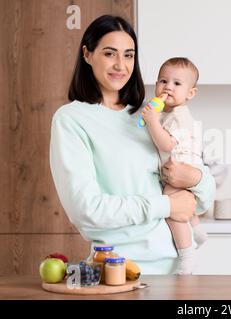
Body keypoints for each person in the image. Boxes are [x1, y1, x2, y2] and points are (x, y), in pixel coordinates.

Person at [49, 15, 215, 275]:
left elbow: (202, 200)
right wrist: (167, 205)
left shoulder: (148, 115)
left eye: (129, 55)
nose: (120, 65)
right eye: (109, 53)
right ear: (87, 54)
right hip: (122, 270)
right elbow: (87, 211)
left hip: (181, 268)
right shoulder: (71, 120)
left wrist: (194, 177)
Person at [141, 57, 207, 274]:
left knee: (173, 211)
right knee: (185, 203)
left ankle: (187, 255)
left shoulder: (178, 116)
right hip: (180, 165)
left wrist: (152, 122)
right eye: (163, 81)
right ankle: (197, 230)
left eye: (177, 84)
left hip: (180, 167)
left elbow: (167, 144)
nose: (168, 87)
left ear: (190, 93)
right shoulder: (169, 112)